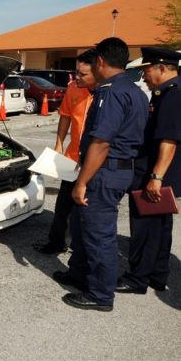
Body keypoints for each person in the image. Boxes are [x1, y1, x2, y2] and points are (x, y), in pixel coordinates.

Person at [55, 37, 148, 311]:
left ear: (101, 61)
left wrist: (81, 182)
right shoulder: (135, 91)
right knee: (83, 228)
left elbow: (101, 142)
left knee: (99, 235)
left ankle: (100, 294)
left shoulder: (111, 92)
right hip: (115, 170)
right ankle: (79, 274)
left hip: (104, 172)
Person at [116, 47, 181, 294]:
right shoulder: (166, 92)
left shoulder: (172, 94)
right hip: (161, 173)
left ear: (162, 68)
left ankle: (137, 278)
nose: (143, 76)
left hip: (154, 173)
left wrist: (155, 177)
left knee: (145, 228)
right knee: (160, 226)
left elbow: (169, 139)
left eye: (147, 70)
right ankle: (157, 274)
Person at [33, 50, 96, 254]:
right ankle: (56, 242)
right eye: (75, 72)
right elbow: (65, 116)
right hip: (73, 158)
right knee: (63, 205)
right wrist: (59, 143)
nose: (76, 77)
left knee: (88, 208)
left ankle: (81, 247)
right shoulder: (73, 89)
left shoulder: (107, 94)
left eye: (82, 73)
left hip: (95, 161)